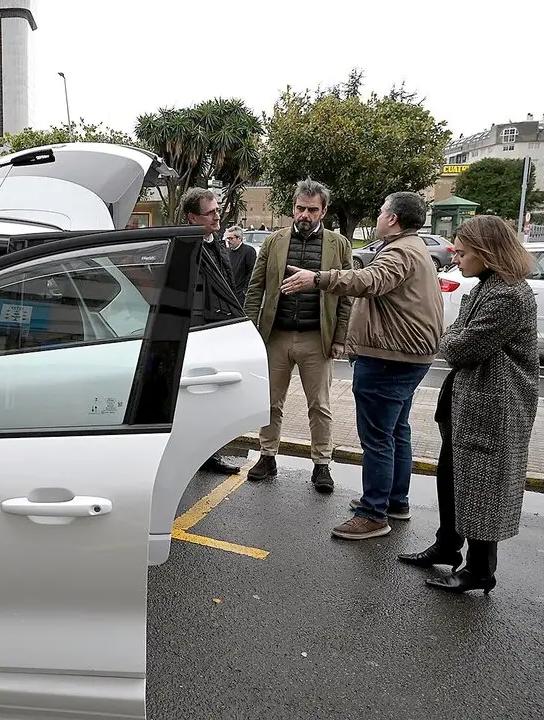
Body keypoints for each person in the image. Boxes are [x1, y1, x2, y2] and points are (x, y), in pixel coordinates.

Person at [281, 191, 444, 539]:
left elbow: (369, 282)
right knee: (397, 430)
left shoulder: (400, 251)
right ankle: (393, 502)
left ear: (394, 219)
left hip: (388, 357)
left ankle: (373, 514)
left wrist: (319, 279)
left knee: (378, 438)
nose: (379, 215)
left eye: (382, 210)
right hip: (407, 356)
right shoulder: (414, 248)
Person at [398, 215, 538, 594]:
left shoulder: (508, 295)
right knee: (451, 478)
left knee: (482, 489)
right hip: (468, 404)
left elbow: (460, 346)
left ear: (486, 252)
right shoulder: (486, 286)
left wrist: (452, 336)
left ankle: (480, 570)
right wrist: (453, 335)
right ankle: (447, 547)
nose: (455, 258)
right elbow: (457, 333)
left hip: (494, 408)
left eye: (461, 252)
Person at [243, 179, 352, 493]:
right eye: (300, 208)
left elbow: (346, 295)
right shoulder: (274, 241)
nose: (305, 215)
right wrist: (252, 334)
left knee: (319, 405)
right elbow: (255, 289)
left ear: (323, 211)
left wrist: (340, 337)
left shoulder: (339, 244)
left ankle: (321, 463)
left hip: (317, 338)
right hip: (276, 335)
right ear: (293, 208)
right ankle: (267, 456)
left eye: (312, 209)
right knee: (270, 402)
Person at [181, 187, 240, 475]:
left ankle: (208, 455)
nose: (218, 216)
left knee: (213, 399)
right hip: (194, 333)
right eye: (211, 212)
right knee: (193, 398)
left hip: (218, 329)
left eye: (218, 210)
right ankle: (190, 456)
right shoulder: (183, 246)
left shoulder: (217, 242)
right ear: (192, 217)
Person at [225, 225, 256, 305]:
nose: (228, 241)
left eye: (231, 238)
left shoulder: (249, 251)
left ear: (239, 238)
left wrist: (244, 291)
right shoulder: (227, 252)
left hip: (241, 295)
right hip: (229, 293)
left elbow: (251, 272)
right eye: (228, 238)